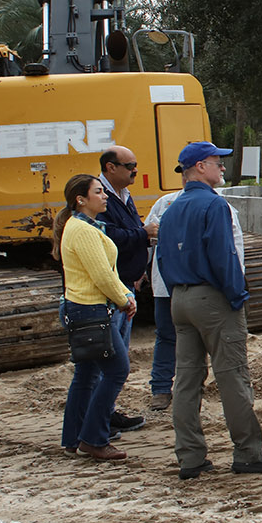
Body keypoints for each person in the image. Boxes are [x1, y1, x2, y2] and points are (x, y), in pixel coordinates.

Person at [159, 140, 262, 480]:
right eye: (217, 162)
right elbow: (223, 255)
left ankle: (190, 457)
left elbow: (162, 257)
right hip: (212, 298)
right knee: (232, 375)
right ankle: (248, 451)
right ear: (200, 167)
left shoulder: (170, 209)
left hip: (180, 298)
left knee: (186, 379)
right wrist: (236, 294)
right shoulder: (214, 206)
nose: (222, 168)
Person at [53, 172, 138, 462]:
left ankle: (74, 437)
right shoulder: (84, 231)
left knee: (87, 374)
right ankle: (94, 438)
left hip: (83, 307)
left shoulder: (79, 227)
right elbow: (101, 274)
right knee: (117, 369)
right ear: (81, 199)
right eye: (98, 192)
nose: (104, 196)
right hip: (91, 308)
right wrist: (124, 298)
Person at [143, 172, 245, 413]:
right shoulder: (167, 204)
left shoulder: (220, 206)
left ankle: (187, 398)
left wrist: (236, 283)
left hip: (188, 289)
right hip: (176, 288)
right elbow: (149, 238)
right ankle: (161, 387)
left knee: (194, 352)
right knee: (168, 337)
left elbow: (233, 249)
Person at [95, 146, 149, 436]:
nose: (134, 171)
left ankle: (106, 412)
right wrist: (143, 234)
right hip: (114, 291)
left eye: (135, 165)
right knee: (110, 360)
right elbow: (110, 238)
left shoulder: (124, 197)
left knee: (117, 356)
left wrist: (137, 271)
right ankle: (98, 419)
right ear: (109, 167)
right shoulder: (101, 202)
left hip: (126, 284)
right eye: (129, 166)